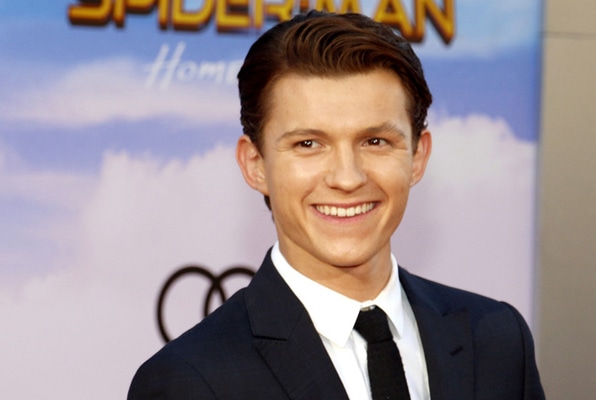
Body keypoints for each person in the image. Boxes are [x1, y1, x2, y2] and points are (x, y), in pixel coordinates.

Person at [128, 11, 545, 400]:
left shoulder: (496, 340)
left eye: (375, 141)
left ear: (418, 156)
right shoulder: (191, 380)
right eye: (309, 144)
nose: (347, 178)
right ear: (255, 164)